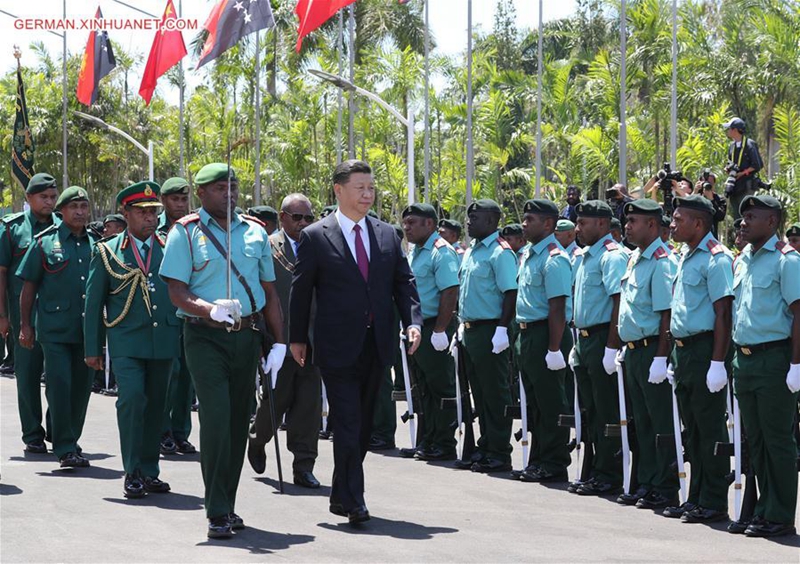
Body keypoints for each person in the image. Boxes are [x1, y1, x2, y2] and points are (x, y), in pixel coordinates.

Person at [288, 159, 422, 524]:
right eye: (360, 187)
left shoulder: (387, 234)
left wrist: (413, 322)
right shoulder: (316, 235)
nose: (368, 194)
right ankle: (355, 500)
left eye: (371, 187)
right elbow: (301, 293)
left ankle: (340, 492)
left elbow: (403, 283)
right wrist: (297, 338)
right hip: (335, 346)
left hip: (376, 343)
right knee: (347, 421)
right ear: (339, 190)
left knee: (362, 426)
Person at [160, 163, 285, 538]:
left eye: (232, 187)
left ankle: (227, 504)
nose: (228, 194)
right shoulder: (186, 232)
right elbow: (177, 291)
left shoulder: (255, 232)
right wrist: (208, 308)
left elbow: (269, 292)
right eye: (219, 188)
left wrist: (278, 341)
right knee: (215, 420)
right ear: (200, 193)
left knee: (235, 422)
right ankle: (215, 509)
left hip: (246, 337)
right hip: (204, 336)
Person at [84, 182, 181, 500]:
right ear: (126, 213)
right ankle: (132, 470)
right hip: (126, 340)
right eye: (142, 213)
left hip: (163, 338)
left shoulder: (170, 248)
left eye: (154, 212)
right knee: (132, 400)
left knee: (157, 405)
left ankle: (150, 470)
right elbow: (93, 303)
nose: (150, 219)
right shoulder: (108, 251)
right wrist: (92, 349)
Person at [731, 195, 799, 538]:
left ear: (772, 222)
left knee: (777, 440)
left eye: (752, 216)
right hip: (744, 360)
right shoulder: (743, 260)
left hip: (774, 358)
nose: (743, 222)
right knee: (754, 440)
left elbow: (799, 313)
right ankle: (762, 509)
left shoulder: (788, 261)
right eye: (743, 216)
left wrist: (796, 365)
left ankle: (780, 514)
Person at [17, 186, 98, 469]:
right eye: (73, 207)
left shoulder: (98, 246)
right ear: (61, 211)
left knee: (81, 389)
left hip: (88, 331)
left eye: (84, 206)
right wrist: (26, 325)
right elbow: (29, 288)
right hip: (54, 330)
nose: (79, 212)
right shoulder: (44, 243)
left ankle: (70, 438)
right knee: (60, 385)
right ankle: (64, 447)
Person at [666, 195, 734, 523]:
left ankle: (714, 500)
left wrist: (718, 362)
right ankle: (695, 496)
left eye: (679, 220)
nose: (673, 224)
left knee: (709, 427)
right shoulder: (685, 256)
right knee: (691, 428)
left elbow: (723, 313)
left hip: (704, 349)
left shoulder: (716, 259)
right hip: (683, 351)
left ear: (699, 224)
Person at [248, 193, 322, 489]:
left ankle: (303, 465)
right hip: (279, 338)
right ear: (282, 217)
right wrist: (263, 337)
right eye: (297, 217)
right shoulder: (267, 247)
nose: (303, 224)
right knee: (275, 401)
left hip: (313, 338)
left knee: (308, 406)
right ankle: (258, 437)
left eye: (308, 218)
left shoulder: (319, 245)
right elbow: (260, 294)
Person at [615, 199, 678, 508]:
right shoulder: (635, 258)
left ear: (652, 225)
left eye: (633, 222)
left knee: (660, 422)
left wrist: (660, 357)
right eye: (627, 221)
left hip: (654, 349)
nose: (627, 226)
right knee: (641, 421)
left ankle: (665, 487)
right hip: (635, 351)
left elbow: (666, 314)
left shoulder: (662, 261)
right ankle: (647, 481)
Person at [455, 199, 518, 473]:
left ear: (491, 221)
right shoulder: (471, 252)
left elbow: (510, 293)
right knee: (478, 394)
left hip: (492, 329)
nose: (469, 223)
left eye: (475, 218)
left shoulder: (499, 253)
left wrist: (503, 329)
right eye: (469, 218)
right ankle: (484, 445)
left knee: (495, 393)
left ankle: (499, 451)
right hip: (470, 329)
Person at [570, 200, 628, 495]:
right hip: (584, 339)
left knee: (606, 410)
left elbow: (618, 301)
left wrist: (611, 346)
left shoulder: (611, 256)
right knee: (589, 409)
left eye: (584, 223)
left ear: (603, 224)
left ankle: (609, 473)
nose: (578, 228)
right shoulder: (585, 256)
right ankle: (595, 468)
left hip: (603, 337)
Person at [0, 172, 59, 453]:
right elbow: (1, 276)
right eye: (43, 197)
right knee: (27, 376)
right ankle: (33, 434)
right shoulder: (12, 229)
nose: (49, 202)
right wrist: (2, 316)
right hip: (22, 316)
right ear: (29, 199)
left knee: (60, 377)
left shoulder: (64, 227)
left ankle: (58, 430)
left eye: (52, 197)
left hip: (58, 316)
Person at [515, 199, 572, 482]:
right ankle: (537, 458)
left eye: (530, 220)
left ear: (548, 224)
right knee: (535, 402)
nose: (524, 224)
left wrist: (553, 348)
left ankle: (554, 461)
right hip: (526, 334)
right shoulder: (529, 253)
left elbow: (557, 307)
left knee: (551, 403)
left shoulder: (554, 258)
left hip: (546, 334)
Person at [401, 203, 459, 461]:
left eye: (412, 222)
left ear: (430, 224)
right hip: (417, 328)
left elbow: (449, 291)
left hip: (434, 325)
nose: (407, 227)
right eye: (406, 222)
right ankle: (428, 439)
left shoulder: (440, 251)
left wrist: (440, 331)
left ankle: (444, 443)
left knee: (440, 387)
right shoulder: (416, 252)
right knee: (422, 387)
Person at [155, 176, 196, 456]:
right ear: (163, 201)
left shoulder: (195, 228)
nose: (180, 204)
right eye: (174, 199)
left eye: (183, 199)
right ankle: (162, 430)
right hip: (164, 313)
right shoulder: (152, 228)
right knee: (167, 376)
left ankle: (181, 432)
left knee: (188, 376)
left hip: (191, 311)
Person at [723, 118, 764, 221]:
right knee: (736, 215)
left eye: (729, 128)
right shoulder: (731, 146)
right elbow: (729, 161)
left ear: (735, 130)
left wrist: (742, 173)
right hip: (734, 186)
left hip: (746, 185)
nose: (728, 131)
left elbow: (757, 165)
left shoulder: (749, 144)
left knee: (746, 212)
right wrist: (728, 169)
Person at [693, 173, 727, 238]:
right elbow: (686, 211)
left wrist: (711, 200)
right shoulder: (695, 196)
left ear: (713, 184)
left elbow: (720, 217)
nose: (706, 185)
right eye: (705, 182)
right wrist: (695, 192)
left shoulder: (719, 199)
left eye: (709, 183)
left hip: (711, 236)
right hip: (694, 235)